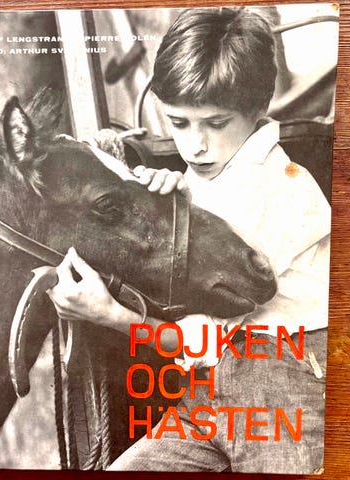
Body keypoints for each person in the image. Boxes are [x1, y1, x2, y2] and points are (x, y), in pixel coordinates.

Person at [48, 7, 331, 474]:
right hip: (207, 397)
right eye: (178, 123)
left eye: (215, 124)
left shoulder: (278, 188)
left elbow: (197, 337)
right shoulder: (208, 179)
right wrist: (165, 201)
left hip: (282, 393)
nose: (196, 145)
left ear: (257, 108)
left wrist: (110, 316)